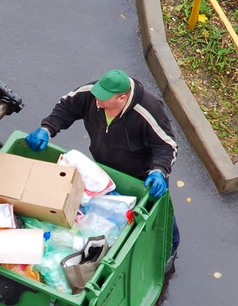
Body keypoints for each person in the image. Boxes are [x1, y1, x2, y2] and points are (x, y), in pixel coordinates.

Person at [26, 68, 180, 269]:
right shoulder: (93, 95)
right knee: (113, 213)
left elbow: (167, 145)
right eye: (97, 96)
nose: (97, 102)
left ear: (122, 98)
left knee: (160, 216)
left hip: (144, 176)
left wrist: (159, 171)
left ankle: (170, 248)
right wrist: (47, 128)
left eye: (104, 99)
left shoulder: (147, 111)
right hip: (105, 169)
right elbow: (66, 107)